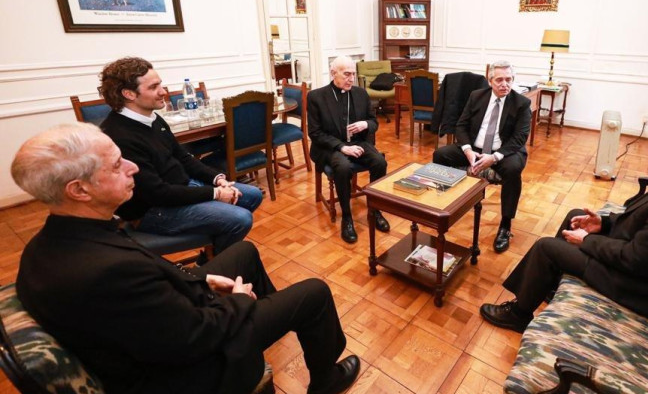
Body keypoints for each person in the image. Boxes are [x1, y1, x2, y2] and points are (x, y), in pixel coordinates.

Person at [11, 122, 360, 394]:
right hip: (191, 370)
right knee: (313, 292)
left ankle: (264, 322)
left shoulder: (57, 239)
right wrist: (239, 303)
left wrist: (204, 278)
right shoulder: (106, 272)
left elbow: (148, 275)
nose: (133, 168)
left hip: (168, 324)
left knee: (244, 251)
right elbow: (192, 339)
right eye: (117, 165)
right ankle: (324, 380)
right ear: (79, 190)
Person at [480, 108, 648, 332]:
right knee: (577, 215)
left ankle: (519, 313)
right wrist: (605, 224)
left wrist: (587, 240)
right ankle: (548, 283)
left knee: (547, 247)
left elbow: (636, 260)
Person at [98, 57, 262, 260]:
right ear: (129, 94)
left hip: (180, 188)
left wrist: (217, 179)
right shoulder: (119, 136)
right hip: (151, 210)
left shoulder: (152, 117)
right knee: (240, 218)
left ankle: (215, 249)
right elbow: (157, 194)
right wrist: (215, 194)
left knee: (253, 194)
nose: (163, 91)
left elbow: (182, 157)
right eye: (154, 87)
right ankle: (214, 266)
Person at [433, 61, 531, 253]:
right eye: (500, 80)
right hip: (475, 148)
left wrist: (494, 158)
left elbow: (519, 138)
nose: (505, 84)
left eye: (509, 80)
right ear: (490, 80)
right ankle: (444, 204)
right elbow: (461, 125)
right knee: (440, 155)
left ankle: (505, 225)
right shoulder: (477, 96)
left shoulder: (521, 103)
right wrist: (468, 150)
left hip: (504, 151)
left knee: (513, 170)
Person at [307, 56, 390, 243]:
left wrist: (365, 124)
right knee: (343, 167)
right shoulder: (316, 97)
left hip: (357, 143)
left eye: (353, 74)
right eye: (346, 74)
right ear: (333, 73)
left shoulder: (361, 94)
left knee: (380, 162)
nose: (351, 78)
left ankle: (375, 211)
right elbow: (315, 133)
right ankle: (347, 217)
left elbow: (374, 123)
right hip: (328, 147)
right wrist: (341, 147)